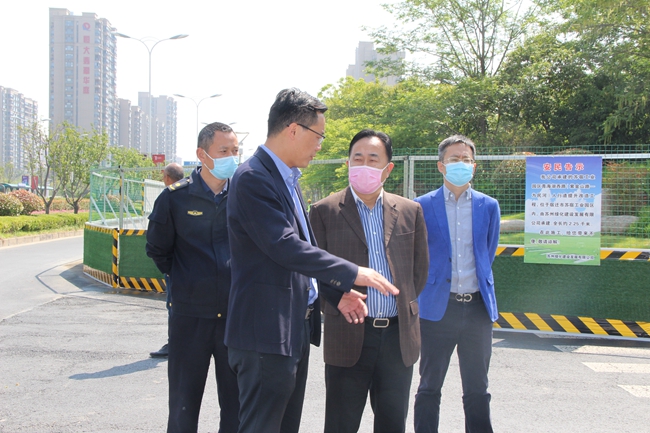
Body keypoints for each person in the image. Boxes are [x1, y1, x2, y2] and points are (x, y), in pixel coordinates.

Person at [225, 88, 399, 433]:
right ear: (294, 130)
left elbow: (300, 252)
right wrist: (352, 272)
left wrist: (334, 294)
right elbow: (284, 246)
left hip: (291, 330)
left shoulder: (287, 178)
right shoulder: (254, 178)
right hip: (265, 334)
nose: (320, 145)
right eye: (318, 135)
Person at [309, 129, 429, 433]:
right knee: (340, 424)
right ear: (348, 163)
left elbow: (419, 271)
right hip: (347, 333)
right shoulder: (324, 211)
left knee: (392, 423)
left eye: (373, 159)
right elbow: (314, 271)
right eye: (357, 158)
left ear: (388, 168)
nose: (364, 165)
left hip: (397, 338)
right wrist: (337, 299)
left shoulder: (410, 211)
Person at [146, 122, 240, 433]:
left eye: (235, 150)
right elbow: (158, 250)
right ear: (202, 154)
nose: (231, 157)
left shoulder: (243, 195)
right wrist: (189, 280)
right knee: (183, 406)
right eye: (223, 151)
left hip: (234, 317)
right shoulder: (175, 198)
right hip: (189, 318)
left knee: (237, 408)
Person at [413, 135, 500, 433]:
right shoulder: (421, 206)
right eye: (454, 159)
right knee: (429, 386)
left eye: (466, 159)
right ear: (441, 165)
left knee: (477, 388)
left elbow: (487, 253)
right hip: (437, 308)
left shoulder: (489, 206)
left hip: (477, 309)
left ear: (474, 166)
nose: (460, 164)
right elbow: (418, 255)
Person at [150, 162, 186, 359]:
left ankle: (176, 344)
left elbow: (156, 243)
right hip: (185, 266)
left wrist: (170, 269)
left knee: (174, 305)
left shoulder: (169, 196)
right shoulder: (191, 194)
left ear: (166, 177)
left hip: (178, 267)